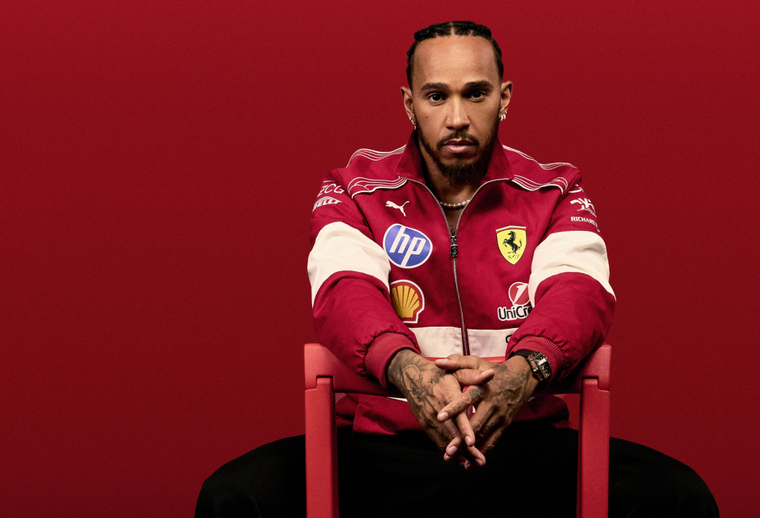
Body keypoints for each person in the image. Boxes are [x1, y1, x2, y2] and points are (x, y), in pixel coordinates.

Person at [197, 21, 718, 517]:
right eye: (436, 96)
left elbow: (579, 293)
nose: (457, 118)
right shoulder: (354, 188)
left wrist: (523, 372)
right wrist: (410, 373)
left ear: (504, 98)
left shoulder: (556, 190)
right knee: (236, 497)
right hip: (384, 450)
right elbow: (343, 291)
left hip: (522, 443)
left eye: (475, 94)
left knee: (675, 497)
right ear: (409, 104)